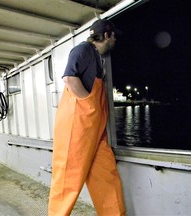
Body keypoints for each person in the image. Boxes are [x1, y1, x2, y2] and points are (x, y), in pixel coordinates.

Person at [48, 19, 126, 216]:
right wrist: (89, 104)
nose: (115, 39)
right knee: (67, 179)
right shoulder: (82, 49)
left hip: (95, 127)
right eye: (114, 35)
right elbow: (69, 79)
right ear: (106, 35)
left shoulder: (98, 58)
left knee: (106, 175)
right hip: (77, 124)